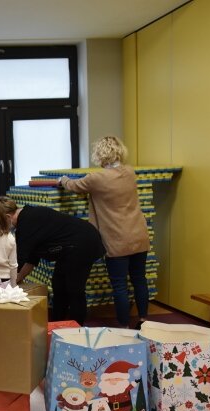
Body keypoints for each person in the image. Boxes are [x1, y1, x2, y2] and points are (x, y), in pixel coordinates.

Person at [58, 136, 150, 329]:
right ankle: (144, 320)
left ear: (99, 154)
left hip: (117, 240)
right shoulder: (130, 172)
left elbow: (74, 186)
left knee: (120, 286)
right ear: (120, 151)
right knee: (140, 280)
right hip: (139, 235)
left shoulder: (97, 178)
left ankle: (124, 326)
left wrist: (62, 179)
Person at [7, 199, 105, 325]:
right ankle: (56, 324)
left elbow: (20, 259)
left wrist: (9, 283)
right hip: (69, 247)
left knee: (74, 288)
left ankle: (77, 328)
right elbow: (31, 259)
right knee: (58, 285)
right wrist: (16, 279)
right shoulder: (27, 219)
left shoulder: (26, 222)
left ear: (8, 217)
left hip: (82, 243)